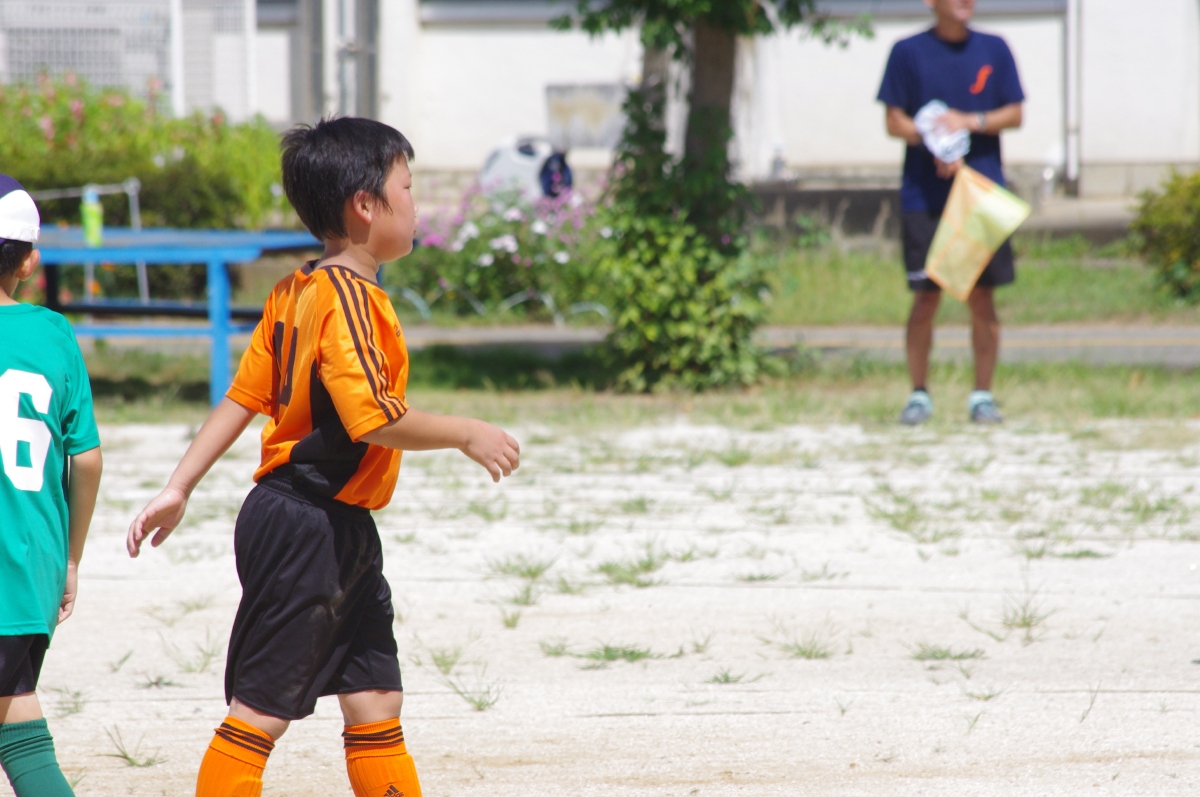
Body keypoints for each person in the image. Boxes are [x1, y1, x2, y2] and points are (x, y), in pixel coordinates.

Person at [126, 117, 521, 797]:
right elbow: (375, 419)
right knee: (262, 708)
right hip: (305, 524)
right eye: (407, 187)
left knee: (375, 695)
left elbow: (240, 399)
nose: (416, 203)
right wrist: (465, 432)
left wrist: (179, 485)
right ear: (365, 205)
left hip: (336, 524)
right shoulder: (349, 301)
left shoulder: (296, 290)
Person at [0, 175, 103, 797]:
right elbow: (85, 460)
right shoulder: (52, 334)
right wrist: (70, 560)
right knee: (15, 710)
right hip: (29, 561)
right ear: (29, 261)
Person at [877, 0, 1025, 424]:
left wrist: (969, 121)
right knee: (926, 297)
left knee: (982, 296)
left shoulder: (994, 48)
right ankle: (918, 395)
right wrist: (937, 140)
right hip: (924, 195)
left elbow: (1015, 113)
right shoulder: (908, 51)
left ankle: (982, 396)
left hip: (979, 194)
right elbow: (894, 121)